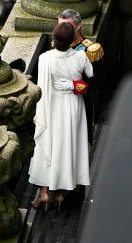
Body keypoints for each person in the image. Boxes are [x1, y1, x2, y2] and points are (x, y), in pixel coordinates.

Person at [28, 22, 93, 211]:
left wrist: (38, 113)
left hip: (51, 105)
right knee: (66, 146)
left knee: (48, 144)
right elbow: (90, 74)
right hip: (73, 105)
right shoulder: (81, 55)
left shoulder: (45, 58)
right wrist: (72, 83)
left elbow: (41, 87)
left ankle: (44, 193)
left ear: (53, 39)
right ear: (73, 39)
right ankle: (59, 194)